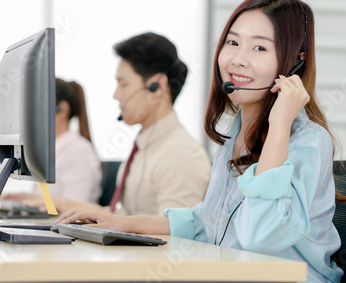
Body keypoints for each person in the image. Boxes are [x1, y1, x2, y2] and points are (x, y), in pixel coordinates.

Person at [56, 0, 346, 283]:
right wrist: (122, 224)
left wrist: (280, 125)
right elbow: (209, 220)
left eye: (259, 48)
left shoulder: (307, 141)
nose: (238, 60)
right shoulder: (236, 134)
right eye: (232, 43)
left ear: (296, 62)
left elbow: (259, 236)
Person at [34, 32, 212, 215]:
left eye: (123, 84)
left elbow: (174, 233)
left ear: (157, 86)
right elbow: (123, 217)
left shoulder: (180, 153)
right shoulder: (145, 147)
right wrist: (67, 205)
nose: (116, 95)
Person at [3, 78, 102, 204]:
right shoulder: (53, 150)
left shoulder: (79, 151)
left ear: (61, 109)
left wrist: (34, 202)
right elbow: (52, 202)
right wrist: (24, 199)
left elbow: (74, 207)